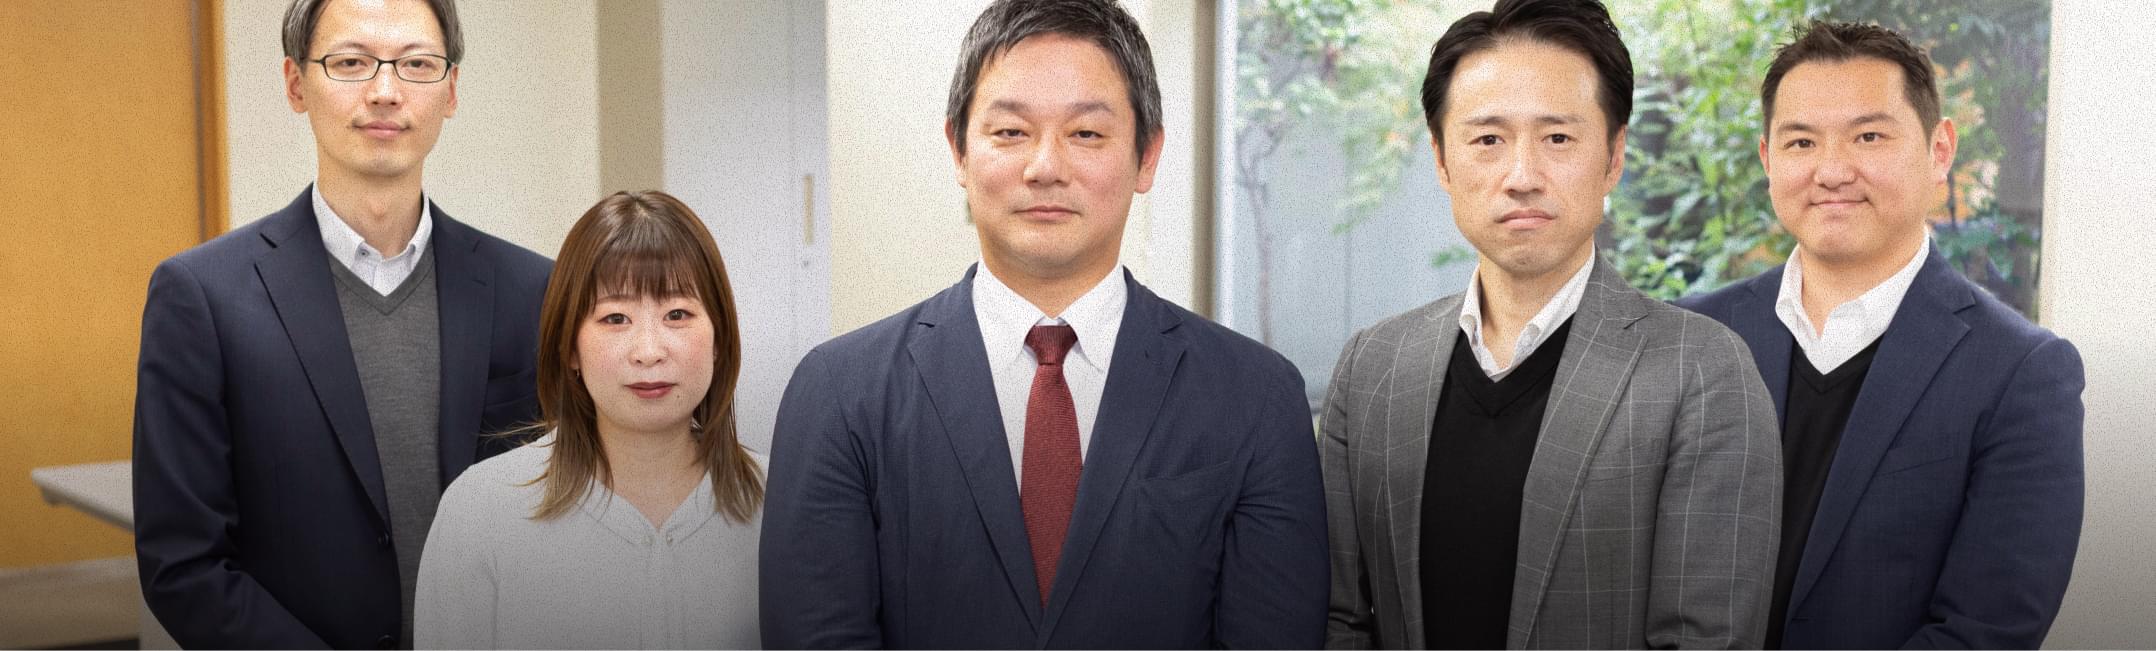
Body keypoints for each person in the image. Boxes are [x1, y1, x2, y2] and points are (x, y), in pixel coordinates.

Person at [758, 0, 1328, 647]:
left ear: (1147, 156)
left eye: (1086, 134)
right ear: (958, 150)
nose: (1045, 167)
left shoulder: (1256, 396)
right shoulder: (839, 393)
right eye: (1010, 132)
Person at [1320, 0, 1781, 647]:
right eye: (1488, 140)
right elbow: (1339, 619)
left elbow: (1708, 638)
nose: (1522, 176)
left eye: (1558, 138)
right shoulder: (1373, 367)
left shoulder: (1701, 372)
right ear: (1442, 159)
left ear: (1614, 156)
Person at [131, 0, 552, 647]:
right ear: (296, 84)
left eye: (416, 64)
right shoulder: (202, 298)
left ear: (450, 91)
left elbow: (560, 519)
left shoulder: (531, 289)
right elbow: (183, 564)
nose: (385, 91)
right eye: (351, 62)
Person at [1676, 20, 2084, 649]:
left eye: (1868, 136)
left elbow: (1985, 632)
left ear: (1939, 150)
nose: (1832, 170)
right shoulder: (1692, 336)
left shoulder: (2021, 373)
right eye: (1801, 142)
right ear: (1767, 160)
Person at [414, 191, 764, 649]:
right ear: (570, 348)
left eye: (677, 314)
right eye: (615, 318)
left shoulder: (782, 505)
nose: (649, 351)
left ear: (719, 338)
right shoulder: (480, 513)